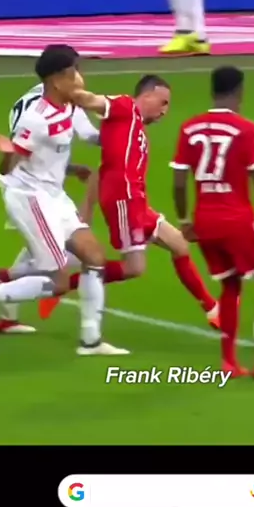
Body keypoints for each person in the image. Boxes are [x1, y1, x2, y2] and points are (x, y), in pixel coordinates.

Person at [0, 44, 128, 357]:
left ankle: (91, 340)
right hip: (30, 198)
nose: (80, 76)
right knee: (57, 281)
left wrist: (127, 127)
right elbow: (10, 167)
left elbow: (60, 150)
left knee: (94, 255)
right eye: (74, 71)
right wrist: (7, 153)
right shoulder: (36, 119)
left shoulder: (71, 106)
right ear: (57, 80)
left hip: (54, 194)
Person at [43, 74, 220, 325]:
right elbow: (91, 100)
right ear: (147, 95)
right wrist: (68, 89)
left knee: (179, 244)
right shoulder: (125, 107)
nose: (165, 111)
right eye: (163, 102)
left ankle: (212, 308)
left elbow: (104, 167)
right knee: (134, 268)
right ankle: (62, 285)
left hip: (137, 203)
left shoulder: (134, 128)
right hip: (124, 200)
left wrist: (88, 208)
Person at [169, 65, 254, 380]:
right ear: (239, 91)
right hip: (236, 220)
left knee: (230, 285)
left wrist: (185, 220)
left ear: (212, 90)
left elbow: (178, 183)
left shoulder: (189, 128)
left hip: (205, 222)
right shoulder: (246, 130)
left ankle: (229, 362)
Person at [0, 77, 101, 335]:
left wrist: (69, 168)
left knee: (44, 248)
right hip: (33, 191)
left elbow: (37, 150)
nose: (79, 78)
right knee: (62, 259)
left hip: (33, 183)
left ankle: (6, 311)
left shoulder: (31, 99)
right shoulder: (55, 105)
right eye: (74, 71)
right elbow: (90, 135)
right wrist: (126, 127)